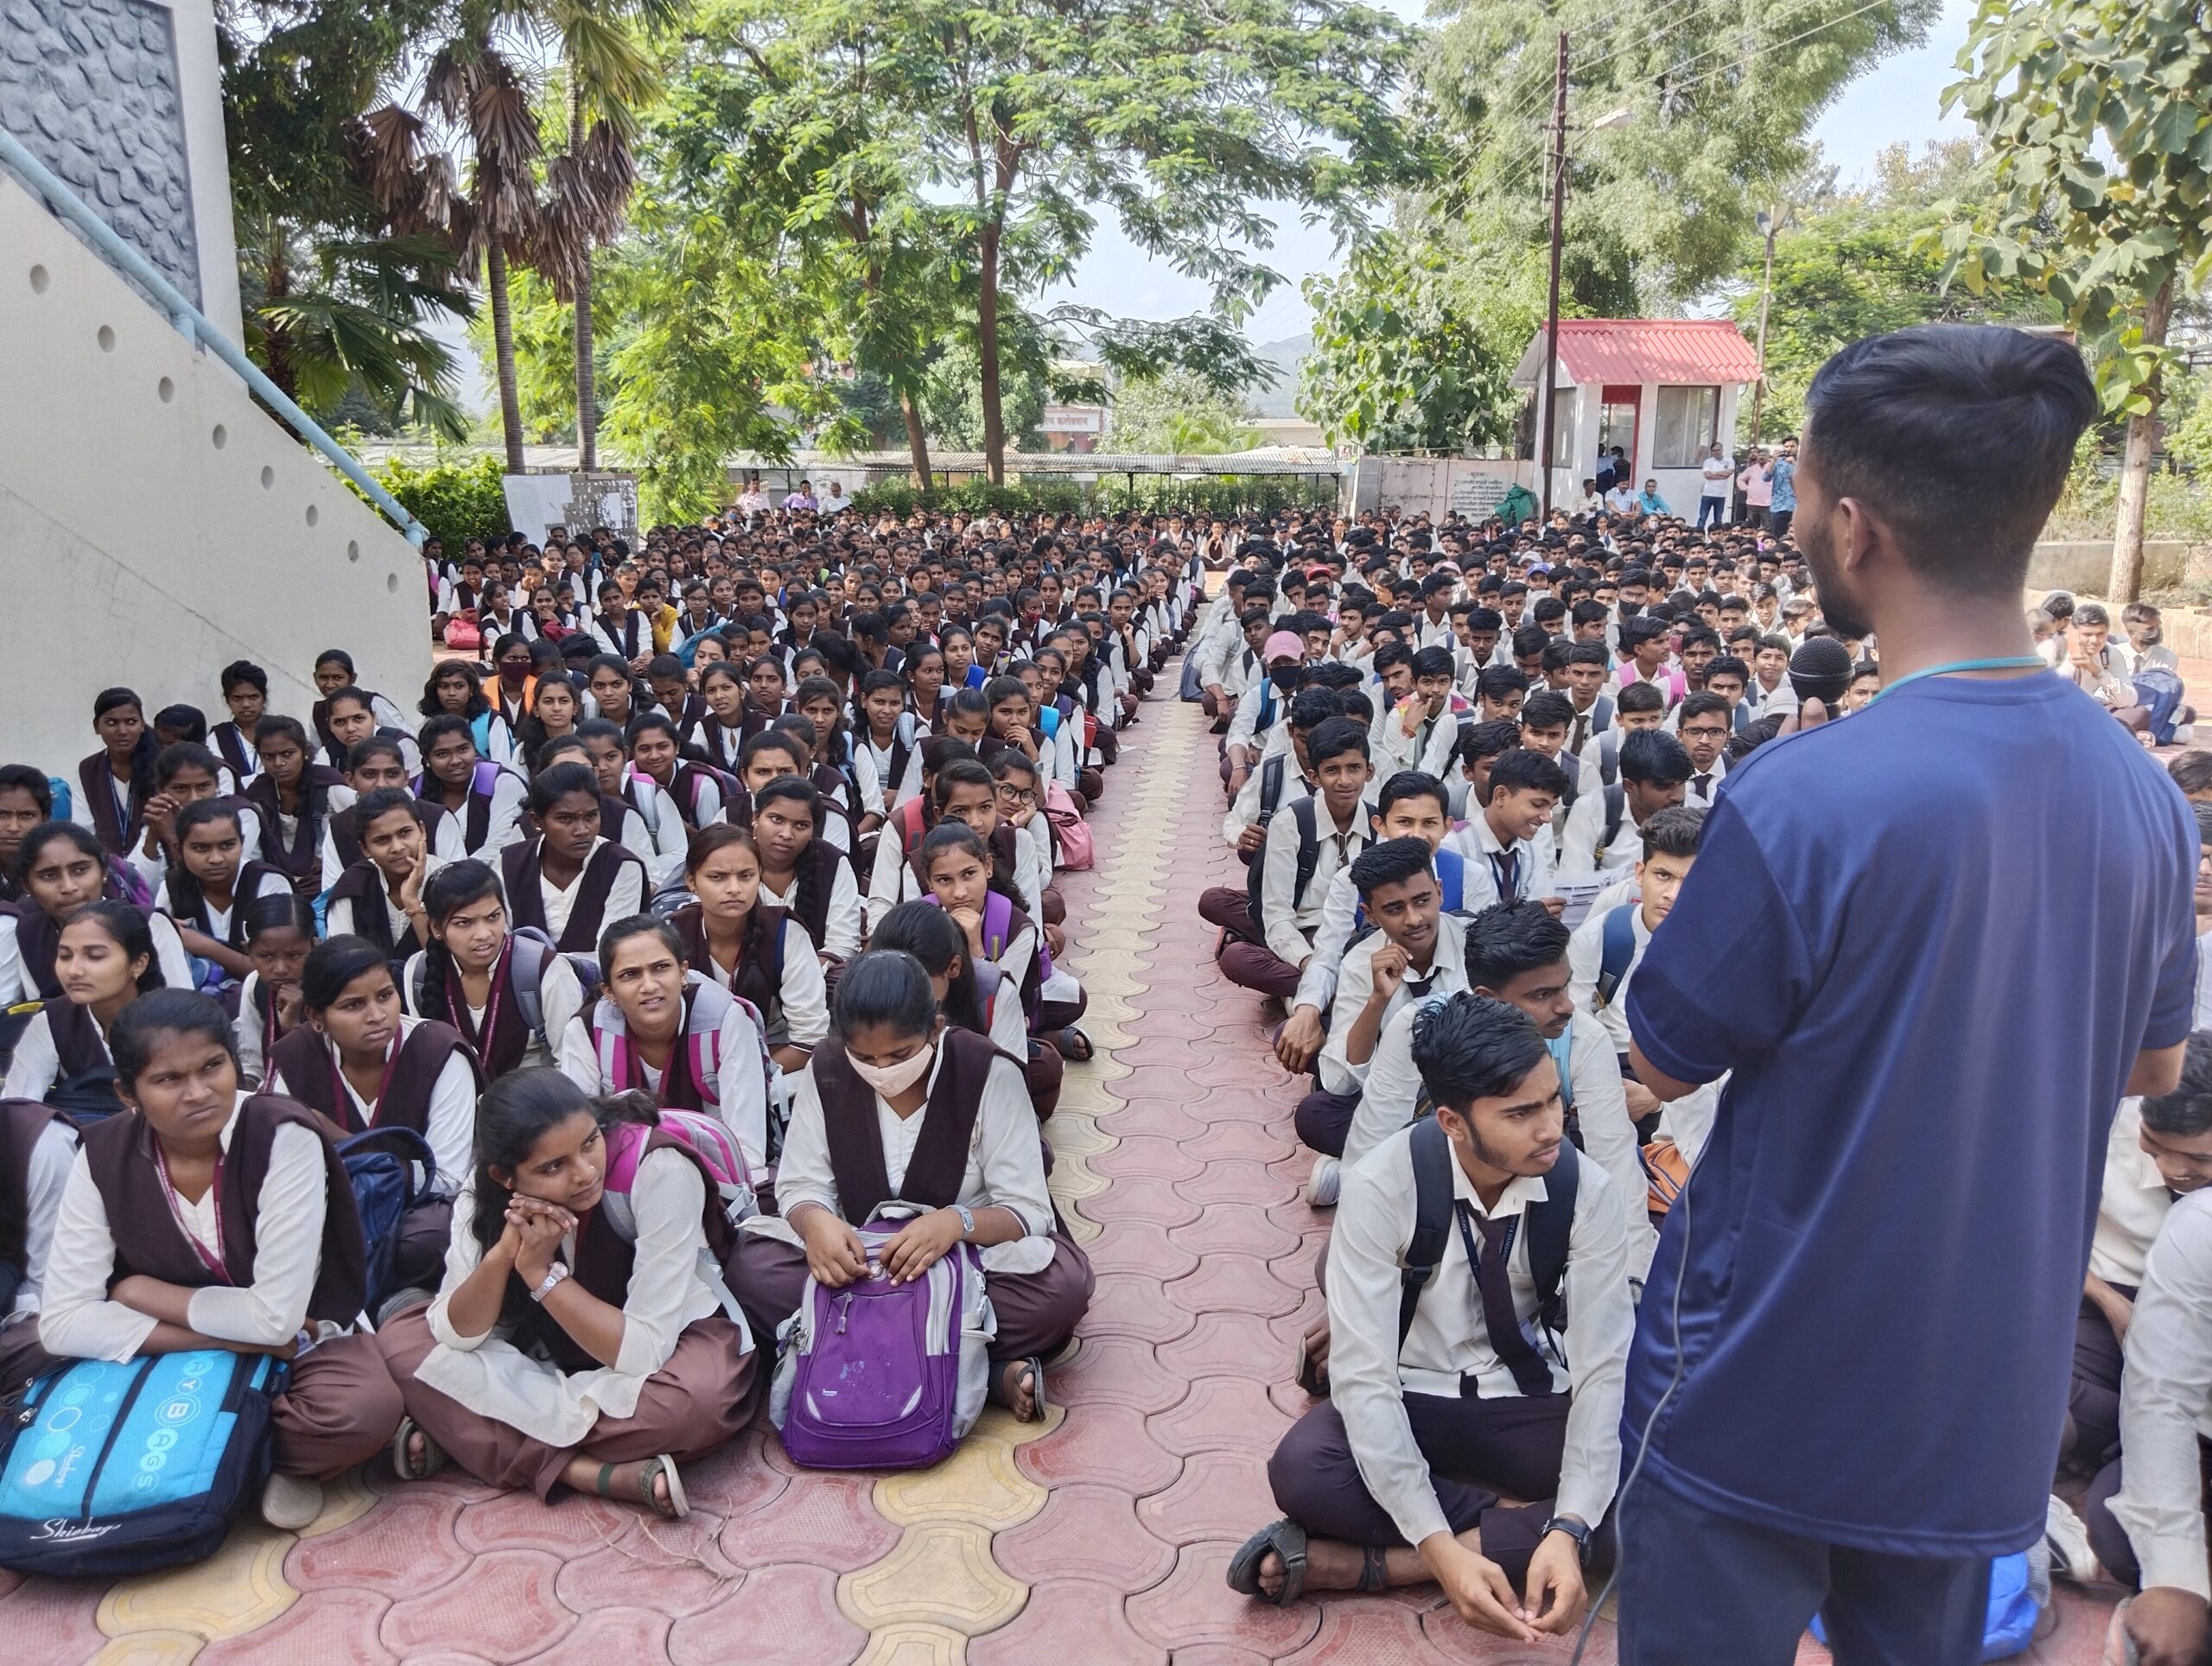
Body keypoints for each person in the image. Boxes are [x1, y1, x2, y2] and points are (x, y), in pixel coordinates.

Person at [1616, 325, 2196, 1659]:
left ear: (1857, 525)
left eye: (1804, 495)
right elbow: (2151, 1073)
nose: (1799, 521)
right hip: (1982, 1397)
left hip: (1760, 1382)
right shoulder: (2146, 800)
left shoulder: (1801, 796)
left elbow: (1663, 1054)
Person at [1230, 995, 1630, 1641]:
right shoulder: (1382, 1186)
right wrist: (1464, 1545)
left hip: (1524, 1398)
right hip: (1415, 1393)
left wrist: (1571, 1523)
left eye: (1553, 1100)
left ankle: (1374, 1566)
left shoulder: (1585, 1189)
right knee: (1304, 1470)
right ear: (1453, 1121)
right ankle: (1504, 1528)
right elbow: (1363, 1382)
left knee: (1656, 1493)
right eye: (1521, 1113)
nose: (1551, 1127)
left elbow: (1604, 1370)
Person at [40, 990, 404, 1529]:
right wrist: (221, 1337)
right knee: (22, 1357)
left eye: (213, 1067)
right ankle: (256, 1467)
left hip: (296, 1348)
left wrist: (140, 1293)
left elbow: (278, 1319)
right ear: (127, 1093)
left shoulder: (281, 1134)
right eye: (168, 1080)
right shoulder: (100, 1154)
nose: (199, 1093)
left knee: (360, 1411)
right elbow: (61, 1322)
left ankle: (213, 1472)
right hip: (165, 1349)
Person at [725, 951, 1091, 1423]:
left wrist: (955, 1224)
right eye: (865, 1056)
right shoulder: (829, 1068)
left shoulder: (987, 1072)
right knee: (750, 1271)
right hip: (858, 1267)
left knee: (1060, 1289)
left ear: (936, 1028)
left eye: (899, 1054)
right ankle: (974, 1363)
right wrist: (817, 1225)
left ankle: (858, 1353)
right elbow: (800, 1183)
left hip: (964, 1269)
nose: (881, 1068)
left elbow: (1026, 1211)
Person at [373, 1069, 759, 1518]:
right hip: (551, 1356)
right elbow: (457, 1334)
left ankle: (477, 1428)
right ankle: (582, 1470)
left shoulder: (659, 1170)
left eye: (590, 1143)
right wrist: (503, 1256)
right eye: (553, 1167)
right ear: (505, 1176)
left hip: (666, 1347)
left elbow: (646, 1352)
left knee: (698, 1405)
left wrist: (541, 1275)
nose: (584, 1173)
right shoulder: (483, 1198)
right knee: (403, 1344)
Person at [556, 915, 772, 1180]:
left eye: (661, 968)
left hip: (718, 1175)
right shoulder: (586, 1031)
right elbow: (579, 1136)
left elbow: (747, 1152)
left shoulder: (726, 1019)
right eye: (630, 975)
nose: (649, 986)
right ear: (609, 990)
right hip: (624, 1177)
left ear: (683, 972)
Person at [2, 900, 162, 1116]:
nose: (73, 971)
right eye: (65, 956)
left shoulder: (174, 1021)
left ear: (139, 963)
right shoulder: (52, 1020)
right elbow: (18, 1109)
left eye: (94, 956)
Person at [499, 763, 649, 954]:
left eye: (591, 816)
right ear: (537, 821)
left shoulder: (621, 866)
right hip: (525, 981)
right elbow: (501, 947)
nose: (582, 830)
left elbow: (614, 953)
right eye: (566, 819)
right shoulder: (509, 865)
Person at [1697, 444, 1732, 531]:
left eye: (1718, 450)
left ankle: (1718, 535)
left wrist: (1714, 473)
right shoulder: (1708, 462)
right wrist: (1722, 475)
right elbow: (1707, 475)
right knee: (1703, 517)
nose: (1716, 452)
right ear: (1711, 452)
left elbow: (1729, 473)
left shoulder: (1729, 461)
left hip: (1721, 495)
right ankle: (1698, 534)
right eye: (1714, 451)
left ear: (1722, 450)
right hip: (1708, 494)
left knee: (1718, 519)